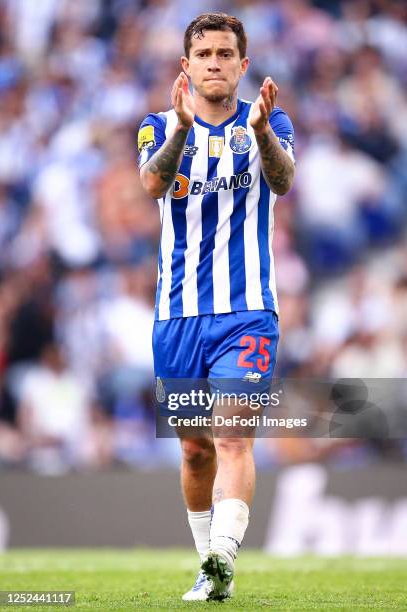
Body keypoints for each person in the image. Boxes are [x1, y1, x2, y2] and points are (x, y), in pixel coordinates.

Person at [138, 12, 295, 602]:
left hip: (248, 310)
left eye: (225, 54)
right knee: (195, 448)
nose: (214, 63)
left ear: (242, 65)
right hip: (175, 317)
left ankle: (221, 561)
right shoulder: (156, 125)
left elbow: (282, 181)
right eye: (203, 54)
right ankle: (207, 557)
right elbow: (152, 185)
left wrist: (260, 133)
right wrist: (180, 126)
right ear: (186, 65)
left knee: (233, 438)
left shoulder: (268, 120)